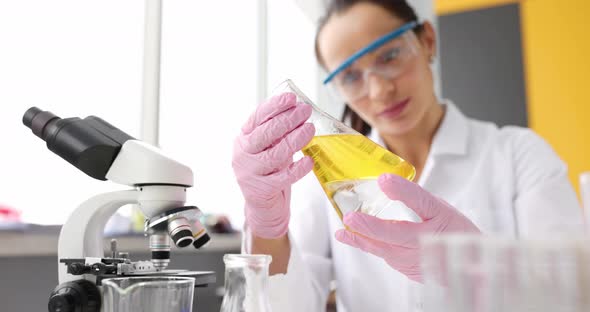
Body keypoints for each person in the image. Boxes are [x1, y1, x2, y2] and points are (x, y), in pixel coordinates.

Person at [231, 0, 584, 310]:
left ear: (427, 41)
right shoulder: (325, 184)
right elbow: (287, 307)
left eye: (390, 55)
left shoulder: (519, 155)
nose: (380, 89)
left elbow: (576, 295)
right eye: (351, 75)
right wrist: (266, 228)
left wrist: (478, 270)